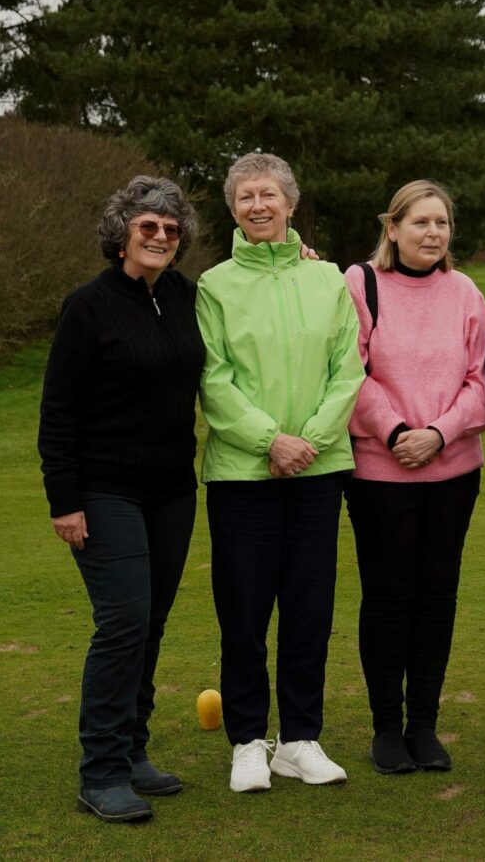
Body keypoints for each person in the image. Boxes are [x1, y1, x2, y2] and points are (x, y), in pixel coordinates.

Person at [197, 152, 364, 793]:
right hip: (243, 475)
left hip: (319, 470)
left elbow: (346, 371)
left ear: (290, 204)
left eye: (268, 194)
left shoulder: (328, 282)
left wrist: (310, 442)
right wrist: (271, 440)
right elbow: (214, 380)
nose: (258, 206)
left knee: (308, 606)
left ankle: (299, 738)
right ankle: (247, 741)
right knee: (243, 607)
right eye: (245, 197)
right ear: (233, 208)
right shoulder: (214, 285)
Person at [39, 176, 205, 823]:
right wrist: (65, 501)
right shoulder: (87, 307)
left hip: (171, 490)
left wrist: (297, 255)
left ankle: (133, 752)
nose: (161, 235)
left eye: (171, 227)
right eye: (148, 226)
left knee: (151, 624)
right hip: (103, 490)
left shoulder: (186, 296)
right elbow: (58, 411)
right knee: (124, 623)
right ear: (122, 234)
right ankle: (101, 771)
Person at [344, 181, 485, 775]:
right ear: (392, 228)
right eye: (420, 223)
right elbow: (347, 372)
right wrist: (396, 431)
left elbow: (484, 382)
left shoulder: (464, 292)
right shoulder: (362, 284)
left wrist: (440, 432)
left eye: (442, 224)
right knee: (387, 597)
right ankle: (386, 728)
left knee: (436, 597)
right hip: (380, 474)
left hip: (452, 471)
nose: (433, 233)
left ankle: (423, 725)